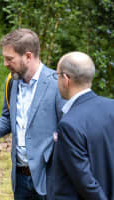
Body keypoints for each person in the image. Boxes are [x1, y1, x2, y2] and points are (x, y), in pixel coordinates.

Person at [0, 28, 65, 199]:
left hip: (49, 179)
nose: (5, 64)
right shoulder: (12, 82)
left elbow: (69, 132)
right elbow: (8, 118)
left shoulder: (57, 84)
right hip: (20, 177)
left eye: (9, 59)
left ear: (28, 56)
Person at [48, 52, 114, 200]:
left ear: (65, 79)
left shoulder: (69, 124)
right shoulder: (111, 107)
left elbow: (85, 182)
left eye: (57, 75)